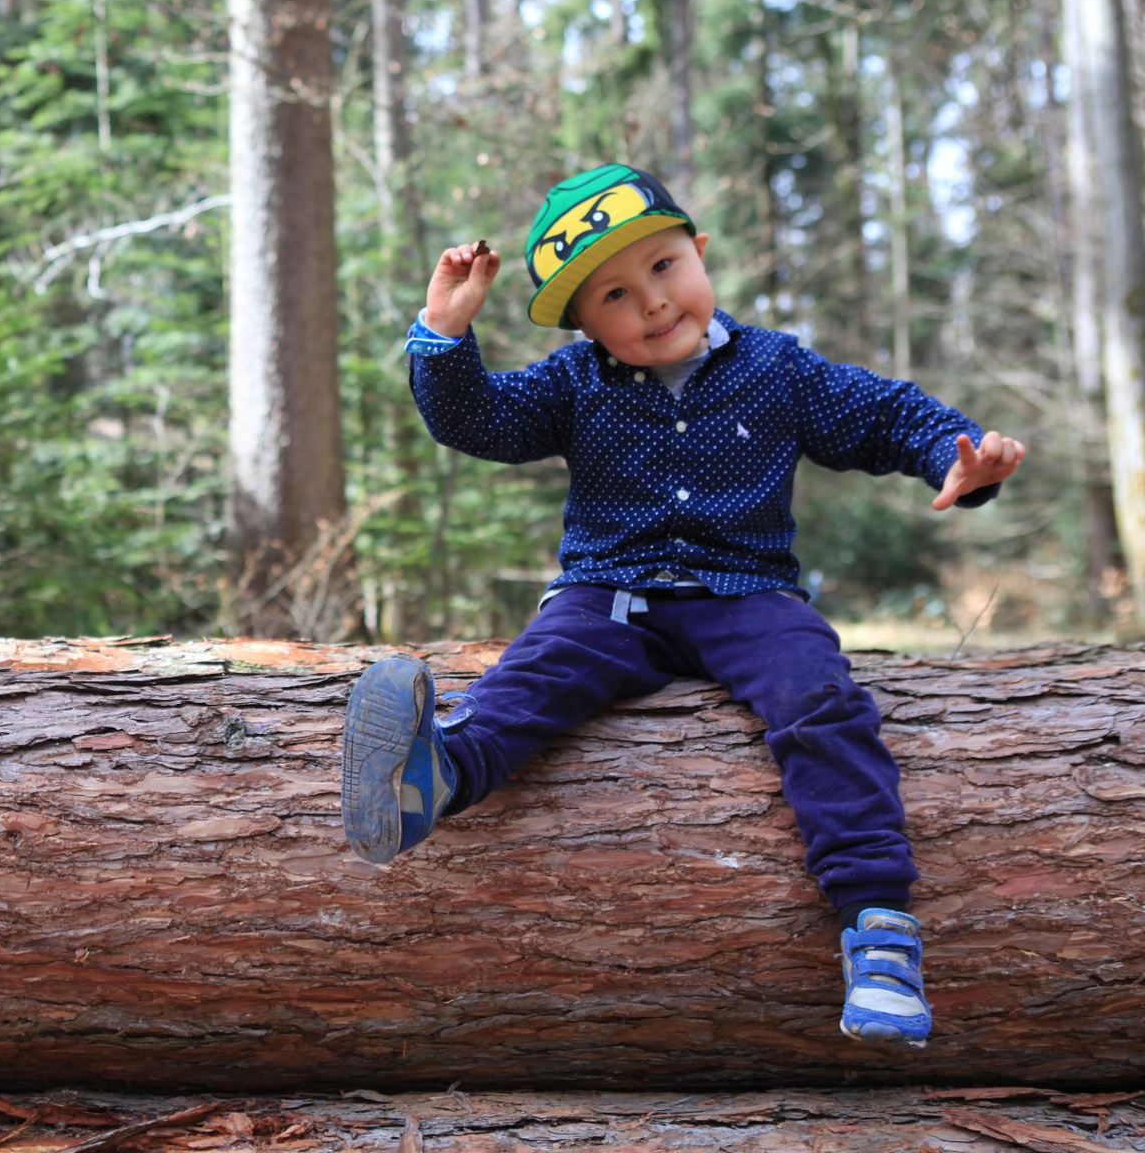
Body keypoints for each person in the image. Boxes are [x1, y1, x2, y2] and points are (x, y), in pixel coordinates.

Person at [339, 164, 1025, 1049]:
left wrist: (955, 458)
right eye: (616, 296)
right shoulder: (575, 381)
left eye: (664, 267)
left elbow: (884, 414)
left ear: (699, 252)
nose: (654, 302)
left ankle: (879, 927)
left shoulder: (777, 368)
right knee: (534, 675)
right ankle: (437, 777)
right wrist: (444, 331)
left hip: (748, 595)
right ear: (587, 324)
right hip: (609, 593)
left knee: (820, 697)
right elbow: (479, 422)